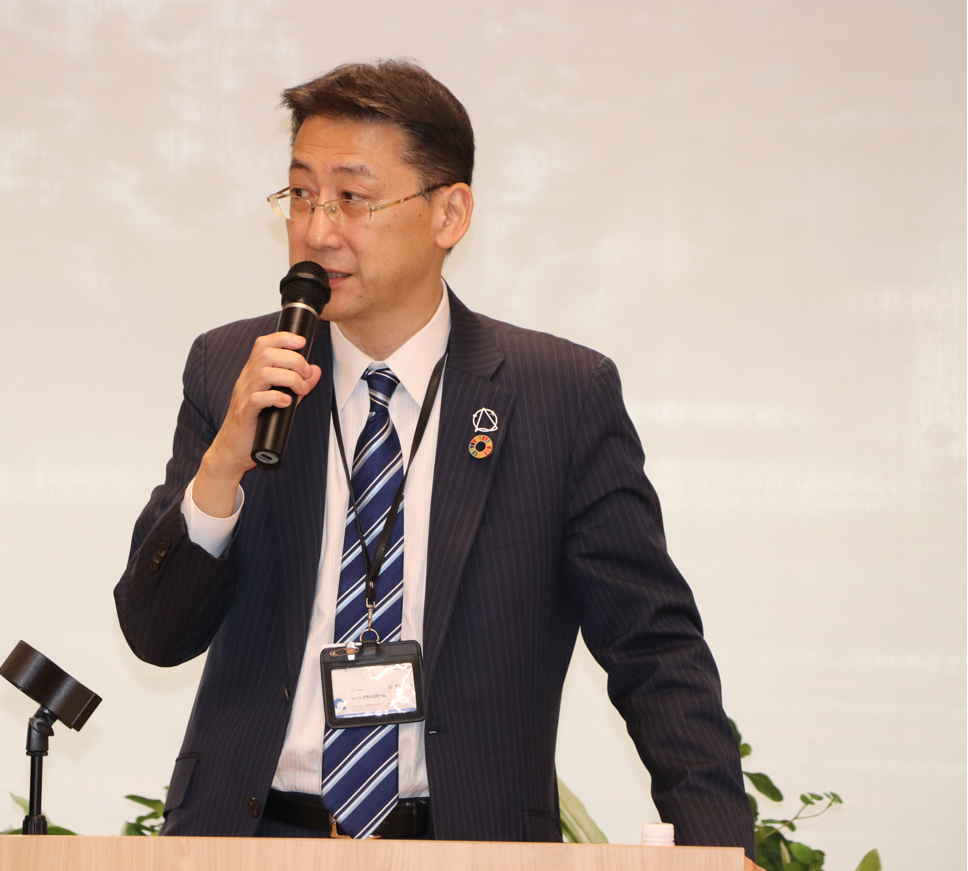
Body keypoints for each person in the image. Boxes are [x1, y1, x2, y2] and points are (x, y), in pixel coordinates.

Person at [114, 59, 757, 863]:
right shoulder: (232, 372)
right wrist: (221, 466)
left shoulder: (558, 395)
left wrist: (716, 846)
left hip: (469, 846)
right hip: (252, 839)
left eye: (352, 198)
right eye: (301, 194)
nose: (317, 230)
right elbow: (155, 634)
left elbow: (652, 649)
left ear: (449, 213)